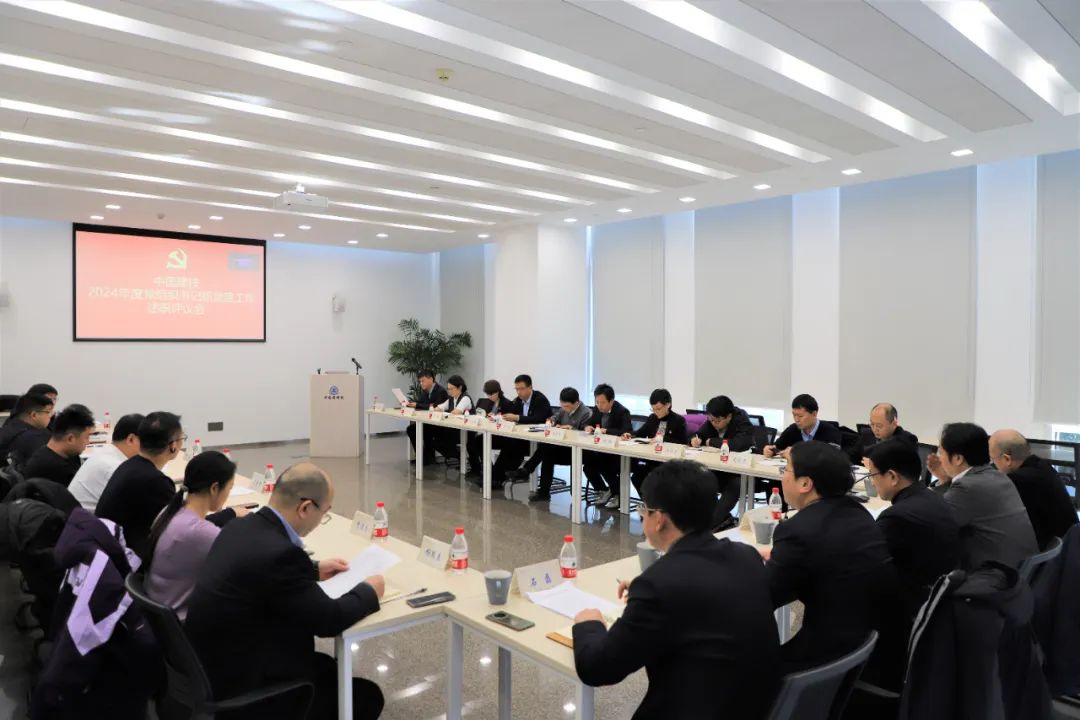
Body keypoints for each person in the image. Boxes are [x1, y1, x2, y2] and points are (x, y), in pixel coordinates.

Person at [572, 460, 780, 719]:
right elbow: (704, 592)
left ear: (659, 519)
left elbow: (597, 669)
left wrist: (589, 624)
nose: (642, 515)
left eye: (644, 510)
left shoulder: (658, 585)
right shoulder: (746, 555)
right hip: (755, 707)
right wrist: (647, 590)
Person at [185, 463, 385, 720]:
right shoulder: (281, 555)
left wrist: (314, 569)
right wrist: (369, 591)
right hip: (246, 688)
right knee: (367, 696)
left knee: (326, 665)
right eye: (323, 514)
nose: (320, 522)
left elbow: (262, 572)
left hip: (214, 664)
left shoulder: (240, 526)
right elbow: (329, 620)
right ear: (305, 508)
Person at [763, 442, 899, 673]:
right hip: (869, 643)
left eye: (786, 469)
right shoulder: (858, 513)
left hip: (824, 658)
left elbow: (766, 596)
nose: (782, 477)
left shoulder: (797, 530)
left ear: (805, 483)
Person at [865, 440, 960, 692]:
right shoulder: (930, 497)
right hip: (937, 604)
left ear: (892, 476)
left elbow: (865, 564)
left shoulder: (898, 517)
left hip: (908, 614)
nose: (872, 482)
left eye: (873, 475)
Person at [144, 451, 247, 621]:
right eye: (229, 488)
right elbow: (243, 562)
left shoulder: (171, 511)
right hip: (181, 622)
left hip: (159, 612)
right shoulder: (199, 532)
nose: (228, 493)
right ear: (214, 488)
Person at [927, 422, 1038, 570]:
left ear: (958, 458)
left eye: (941, 451)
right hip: (1021, 568)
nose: (939, 458)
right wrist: (943, 479)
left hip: (997, 575)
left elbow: (933, 523)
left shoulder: (967, 487)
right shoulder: (996, 475)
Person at [96, 411, 185, 561]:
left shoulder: (129, 465)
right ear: (173, 446)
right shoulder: (156, 482)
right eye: (182, 439)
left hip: (107, 551)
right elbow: (181, 527)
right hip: (126, 561)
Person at [989, 429, 1077, 550]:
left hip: (1053, 553)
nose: (993, 465)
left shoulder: (1019, 480)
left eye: (993, 459)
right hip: (1068, 544)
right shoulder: (1043, 466)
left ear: (1007, 459)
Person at [690, 395, 755, 531]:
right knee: (700, 477)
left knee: (735, 485)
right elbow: (699, 434)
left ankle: (710, 525)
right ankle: (719, 519)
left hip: (739, 472)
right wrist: (695, 439)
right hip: (719, 469)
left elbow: (738, 444)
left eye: (717, 421)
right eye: (711, 420)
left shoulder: (742, 421)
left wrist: (711, 441)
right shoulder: (714, 418)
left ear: (729, 416)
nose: (713, 423)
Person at [527, 387, 591, 502]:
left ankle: (527, 469)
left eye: (567, 406)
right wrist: (551, 422)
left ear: (576, 402)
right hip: (562, 448)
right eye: (562, 405)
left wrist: (571, 429)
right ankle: (543, 492)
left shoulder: (586, 413)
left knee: (546, 450)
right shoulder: (563, 410)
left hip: (577, 452)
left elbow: (587, 434)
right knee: (547, 452)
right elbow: (554, 418)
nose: (564, 408)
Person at [69, 413, 144, 512]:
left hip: (78, 515)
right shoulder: (114, 467)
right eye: (146, 441)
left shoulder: (105, 452)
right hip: (87, 519)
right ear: (131, 439)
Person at [622, 389, 688, 494]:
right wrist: (630, 435)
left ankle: (660, 503)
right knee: (637, 477)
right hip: (652, 459)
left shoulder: (678, 420)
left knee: (657, 482)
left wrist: (661, 439)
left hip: (669, 462)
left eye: (658, 408)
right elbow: (641, 432)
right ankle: (649, 503)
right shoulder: (652, 418)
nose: (656, 412)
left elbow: (683, 443)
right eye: (653, 409)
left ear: (668, 405)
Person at [491, 374, 552, 486]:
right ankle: (496, 477)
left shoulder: (540, 399)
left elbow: (538, 419)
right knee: (507, 443)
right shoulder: (518, 401)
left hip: (538, 440)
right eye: (517, 389)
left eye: (522, 389)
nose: (519, 392)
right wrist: (499, 417)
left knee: (511, 445)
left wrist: (517, 417)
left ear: (530, 387)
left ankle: (498, 477)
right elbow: (510, 412)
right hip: (521, 437)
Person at [582, 384, 633, 509]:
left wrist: (607, 431)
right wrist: (587, 427)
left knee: (605, 465)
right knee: (588, 466)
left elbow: (627, 431)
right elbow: (588, 423)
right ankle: (604, 490)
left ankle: (617, 493)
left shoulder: (622, 412)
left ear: (611, 401)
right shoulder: (597, 409)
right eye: (597, 402)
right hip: (601, 450)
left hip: (618, 453)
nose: (599, 405)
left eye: (603, 402)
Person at [22, 404, 95, 487]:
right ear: (70, 438)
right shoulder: (56, 470)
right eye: (87, 437)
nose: (88, 442)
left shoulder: (48, 453)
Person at [763, 394, 842, 459]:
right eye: (794, 415)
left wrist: (796, 453)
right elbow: (778, 447)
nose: (796, 419)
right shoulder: (792, 429)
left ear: (814, 414)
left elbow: (832, 458)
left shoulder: (830, 432)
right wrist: (771, 451)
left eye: (800, 416)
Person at [466, 379, 514, 478]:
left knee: (480, 441)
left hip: (504, 436)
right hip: (493, 432)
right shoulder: (490, 403)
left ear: (498, 392)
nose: (489, 397)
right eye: (488, 394)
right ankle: (487, 467)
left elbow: (508, 421)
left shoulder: (506, 403)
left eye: (491, 394)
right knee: (476, 441)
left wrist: (497, 418)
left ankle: (491, 471)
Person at [403, 371, 448, 466]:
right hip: (429, 422)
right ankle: (422, 457)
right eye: (420, 381)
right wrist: (410, 404)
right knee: (412, 429)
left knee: (417, 430)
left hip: (439, 424)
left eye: (423, 381)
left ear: (431, 379)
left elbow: (435, 407)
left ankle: (426, 458)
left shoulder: (441, 391)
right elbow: (421, 403)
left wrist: (417, 405)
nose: (421, 383)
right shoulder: (425, 391)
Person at [0, 392, 54, 467]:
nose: (50, 416)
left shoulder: (9, 426)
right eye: (48, 412)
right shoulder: (35, 437)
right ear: (34, 415)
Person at [429, 375, 472, 465]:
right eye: (448, 389)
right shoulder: (451, 399)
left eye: (452, 389)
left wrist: (445, 413)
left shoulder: (465, 398)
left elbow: (456, 412)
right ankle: (456, 455)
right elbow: (439, 408)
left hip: (465, 431)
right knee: (433, 436)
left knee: (440, 437)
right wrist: (435, 409)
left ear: (460, 387)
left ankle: (459, 456)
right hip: (454, 428)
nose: (449, 391)